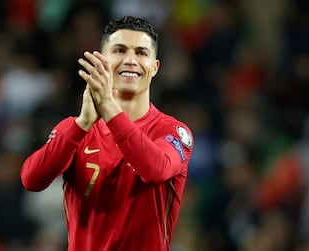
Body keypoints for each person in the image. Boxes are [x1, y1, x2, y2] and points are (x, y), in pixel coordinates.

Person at [20, 15, 194, 251]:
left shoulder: (173, 131)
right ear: (102, 60)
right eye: (120, 50)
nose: (131, 60)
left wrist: (108, 107)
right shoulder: (76, 129)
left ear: (154, 68)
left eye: (141, 53)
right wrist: (82, 123)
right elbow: (31, 179)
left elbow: (157, 169)